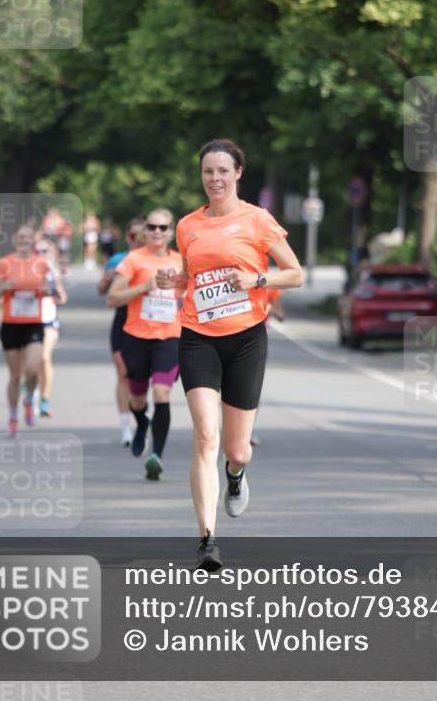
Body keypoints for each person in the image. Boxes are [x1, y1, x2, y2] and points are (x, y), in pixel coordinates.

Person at [156, 139, 303, 570]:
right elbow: (193, 277)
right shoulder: (187, 226)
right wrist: (174, 280)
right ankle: (207, 539)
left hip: (246, 340)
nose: (214, 179)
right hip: (198, 336)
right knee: (206, 436)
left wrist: (256, 280)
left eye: (222, 171)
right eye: (207, 172)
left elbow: (294, 274)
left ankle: (235, 476)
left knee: (237, 449)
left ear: (238, 173)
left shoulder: (258, 220)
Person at [107, 209, 184, 479]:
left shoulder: (181, 261)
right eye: (152, 227)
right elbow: (112, 298)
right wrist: (144, 287)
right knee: (137, 399)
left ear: (171, 231)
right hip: (136, 338)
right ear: (145, 231)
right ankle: (141, 425)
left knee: (162, 394)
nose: (157, 232)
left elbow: (191, 294)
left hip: (169, 337)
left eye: (163, 228)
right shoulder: (133, 259)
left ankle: (156, 456)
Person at [0, 224, 58, 437]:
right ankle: (13, 416)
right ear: (14, 240)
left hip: (33, 324)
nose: (23, 240)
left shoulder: (41, 264)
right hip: (11, 324)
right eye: (20, 237)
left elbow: (52, 290)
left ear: (32, 242)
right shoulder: (5, 263)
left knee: (33, 369)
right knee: (15, 374)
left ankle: (29, 398)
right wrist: (4, 287)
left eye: (27, 237)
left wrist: (47, 290)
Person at [97, 216, 145, 446]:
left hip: (147, 321)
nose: (136, 240)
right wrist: (107, 280)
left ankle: (140, 415)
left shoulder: (154, 259)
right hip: (122, 319)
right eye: (132, 235)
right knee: (123, 373)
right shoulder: (117, 259)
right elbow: (101, 291)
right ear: (127, 237)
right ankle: (126, 427)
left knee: (142, 377)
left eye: (140, 235)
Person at [35, 237, 67, 418]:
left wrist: (54, 284)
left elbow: (62, 298)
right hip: (29, 322)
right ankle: (30, 389)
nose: (41, 255)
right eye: (38, 251)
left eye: (45, 251)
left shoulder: (53, 272)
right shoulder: (27, 269)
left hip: (49, 321)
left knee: (45, 358)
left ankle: (44, 399)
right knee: (31, 363)